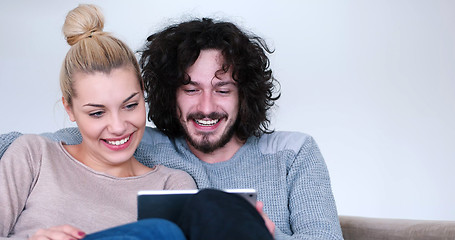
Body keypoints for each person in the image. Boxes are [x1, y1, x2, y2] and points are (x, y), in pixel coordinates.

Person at [1, 17, 343, 239]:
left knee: (190, 219)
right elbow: (54, 147)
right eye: (191, 89)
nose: (117, 126)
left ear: (245, 94)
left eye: (223, 90)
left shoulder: (175, 180)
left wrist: (255, 232)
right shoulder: (38, 152)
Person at [0, 4, 196, 239]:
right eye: (97, 113)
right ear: (69, 108)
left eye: (130, 105)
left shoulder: (171, 185)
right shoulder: (33, 155)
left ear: (143, 94)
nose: (118, 127)